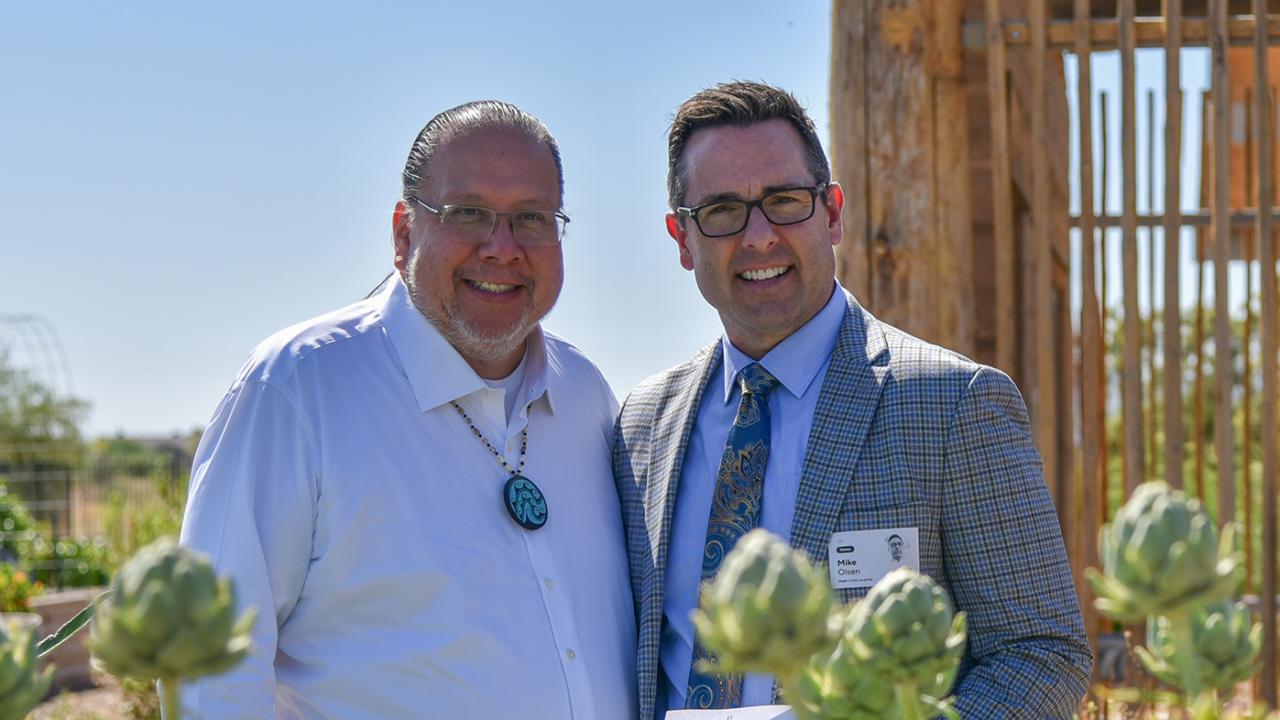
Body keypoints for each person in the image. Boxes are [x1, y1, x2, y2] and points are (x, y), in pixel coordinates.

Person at [613, 81, 1091, 719]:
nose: (759, 236)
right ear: (681, 239)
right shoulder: (641, 425)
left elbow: (1043, 654)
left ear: (832, 214)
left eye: (784, 201)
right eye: (722, 211)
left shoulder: (954, 405)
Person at [178, 101, 637, 719]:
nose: (502, 247)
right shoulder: (297, 388)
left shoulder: (586, 394)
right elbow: (209, 672)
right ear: (403, 234)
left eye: (531, 217)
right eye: (468, 212)